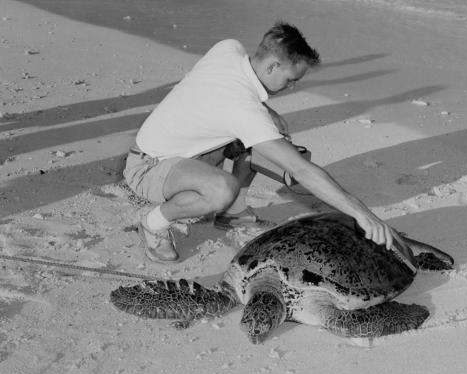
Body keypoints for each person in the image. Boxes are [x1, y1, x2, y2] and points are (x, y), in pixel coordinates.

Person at [123, 21, 395, 264]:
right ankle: (152, 223)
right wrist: (361, 212)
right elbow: (301, 170)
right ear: (272, 66)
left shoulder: (229, 49)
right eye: (291, 80)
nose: (292, 86)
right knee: (222, 188)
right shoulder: (243, 110)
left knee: (260, 140)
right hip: (148, 166)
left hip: (183, 151)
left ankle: (234, 213)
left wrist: (267, 110)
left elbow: (219, 91)